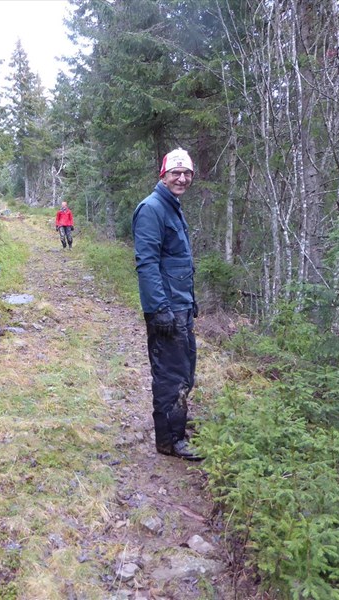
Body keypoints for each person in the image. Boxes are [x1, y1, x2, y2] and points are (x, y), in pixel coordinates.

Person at [131, 148, 201, 461]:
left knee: (184, 371)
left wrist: (190, 302)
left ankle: (176, 429)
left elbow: (178, 264)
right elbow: (146, 262)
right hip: (167, 310)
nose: (182, 178)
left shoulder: (173, 207)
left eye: (187, 173)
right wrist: (160, 308)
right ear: (164, 174)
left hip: (180, 306)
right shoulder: (152, 208)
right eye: (176, 172)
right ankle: (171, 441)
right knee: (170, 375)